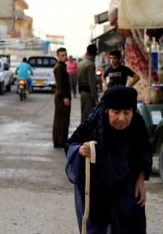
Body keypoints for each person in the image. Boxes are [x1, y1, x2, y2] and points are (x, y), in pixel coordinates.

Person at [65, 86, 152, 233]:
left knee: (130, 221)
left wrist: (141, 179)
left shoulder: (137, 123)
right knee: (97, 223)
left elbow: (145, 152)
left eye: (127, 112)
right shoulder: (94, 121)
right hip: (96, 183)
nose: (122, 118)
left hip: (127, 180)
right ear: (107, 111)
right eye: (116, 112)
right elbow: (71, 143)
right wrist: (80, 149)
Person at [53, 47, 71, 149]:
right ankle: (60, 141)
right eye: (62, 55)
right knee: (61, 120)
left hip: (62, 96)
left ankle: (60, 140)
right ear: (58, 56)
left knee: (61, 119)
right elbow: (60, 84)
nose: (64, 57)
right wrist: (65, 97)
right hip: (61, 97)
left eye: (65, 55)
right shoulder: (59, 68)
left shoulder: (62, 67)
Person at [78, 44, 99, 123]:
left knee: (84, 114)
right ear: (95, 53)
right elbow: (92, 83)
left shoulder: (81, 63)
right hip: (89, 94)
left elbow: (79, 79)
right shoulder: (90, 65)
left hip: (83, 92)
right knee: (88, 117)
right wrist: (95, 99)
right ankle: (84, 134)